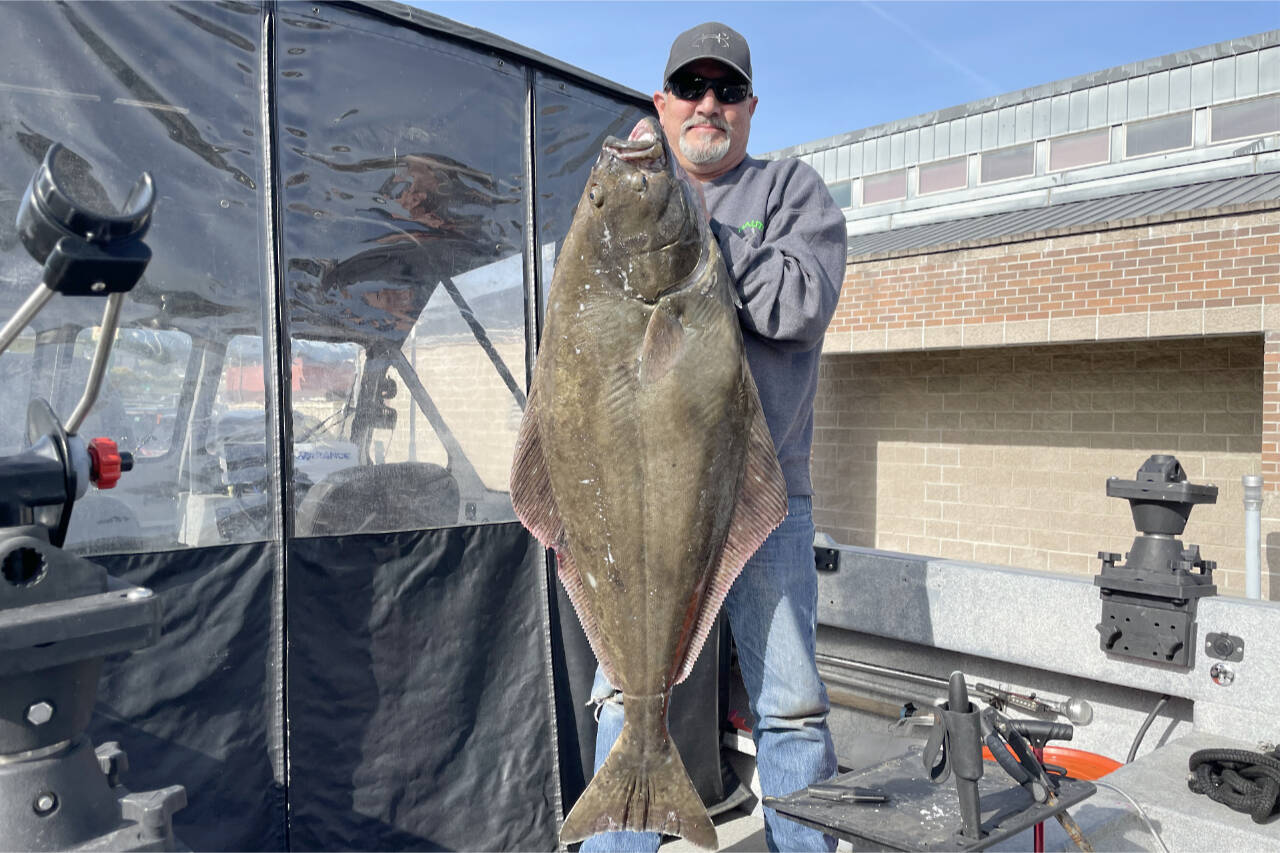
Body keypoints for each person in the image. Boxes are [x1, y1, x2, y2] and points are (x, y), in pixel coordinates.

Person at [580, 21, 848, 853]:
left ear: (750, 109)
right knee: (628, 698)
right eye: (690, 89)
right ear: (659, 105)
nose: (708, 104)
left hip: (765, 504)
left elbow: (802, 306)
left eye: (727, 91)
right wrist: (652, 212)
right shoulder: (620, 203)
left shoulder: (789, 192)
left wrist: (699, 236)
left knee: (791, 704)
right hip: (637, 505)